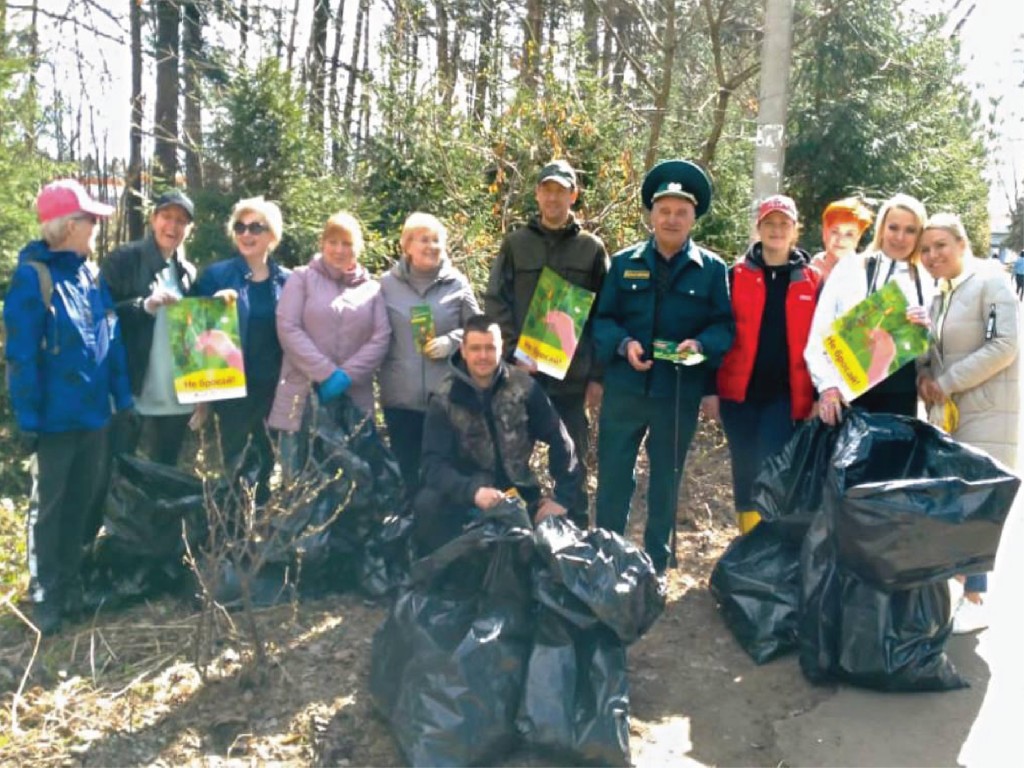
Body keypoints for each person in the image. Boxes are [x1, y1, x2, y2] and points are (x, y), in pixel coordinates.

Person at [4, 179, 133, 635]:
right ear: (67, 225)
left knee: (82, 500)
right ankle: (46, 594)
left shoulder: (90, 275)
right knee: (50, 508)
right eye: (90, 219)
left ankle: (72, 583)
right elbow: (21, 357)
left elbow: (109, 339)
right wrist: (30, 420)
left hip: (95, 416)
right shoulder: (32, 279)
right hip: (55, 421)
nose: (97, 227)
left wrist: (122, 397)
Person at [593, 159, 734, 573]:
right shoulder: (622, 263)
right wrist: (623, 344)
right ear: (651, 215)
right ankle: (609, 555)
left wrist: (701, 345)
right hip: (625, 389)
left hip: (677, 390)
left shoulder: (711, 270)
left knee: (666, 478)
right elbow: (602, 320)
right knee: (615, 476)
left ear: (693, 218)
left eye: (681, 212)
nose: (672, 219)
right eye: (664, 210)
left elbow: (724, 325)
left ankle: (655, 559)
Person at [484, 159, 609, 528]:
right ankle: (512, 535)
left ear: (574, 195)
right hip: (521, 378)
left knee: (572, 465)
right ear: (538, 194)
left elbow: (606, 313)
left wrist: (597, 376)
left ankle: (578, 543)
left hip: (572, 381)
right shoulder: (515, 244)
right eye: (547, 189)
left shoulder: (591, 249)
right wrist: (511, 356)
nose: (554, 197)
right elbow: (496, 301)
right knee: (509, 461)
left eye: (561, 190)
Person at [917, 212, 1020, 634]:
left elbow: (1005, 345)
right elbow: (938, 349)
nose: (932, 255)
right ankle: (961, 591)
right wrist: (925, 371)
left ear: (962, 244)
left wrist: (947, 382)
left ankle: (976, 598)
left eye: (940, 245)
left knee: (976, 504)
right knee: (958, 503)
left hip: (986, 410)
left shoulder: (991, 283)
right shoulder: (942, 294)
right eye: (925, 249)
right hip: (953, 414)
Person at [413, 315, 580, 555]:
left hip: (520, 495)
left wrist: (562, 497)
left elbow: (560, 438)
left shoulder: (524, 387)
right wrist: (472, 491)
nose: (483, 356)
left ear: (501, 349)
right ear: (463, 350)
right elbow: (432, 466)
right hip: (467, 497)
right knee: (427, 504)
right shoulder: (444, 398)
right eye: (476, 348)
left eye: (490, 348)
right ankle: (451, 577)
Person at [703, 195, 820, 534]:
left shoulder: (811, 280)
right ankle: (748, 541)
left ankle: (770, 541)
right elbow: (717, 331)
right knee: (744, 466)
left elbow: (821, 341)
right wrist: (709, 389)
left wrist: (816, 395)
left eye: (784, 224)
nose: (776, 230)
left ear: (795, 231)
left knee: (771, 463)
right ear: (759, 228)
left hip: (787, 395)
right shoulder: (735, 275)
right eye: (770, 223)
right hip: (738, 393)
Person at [268, 211, 389, 470]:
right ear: (322, 244)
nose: (339, 250)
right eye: (333, 242)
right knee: (299, 483)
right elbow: (288, 327)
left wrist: (345, 376)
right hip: (302, 397)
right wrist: (325, 373)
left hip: (354, 401)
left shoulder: (372, 289)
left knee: (355, 486)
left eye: (346, 243)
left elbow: (381, 338)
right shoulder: (301, 278)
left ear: (357, 249)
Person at [193, 196, 291, 502]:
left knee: (268, 463)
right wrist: (201, 400)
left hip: (274, 390)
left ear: (271, 235)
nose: (246, 234)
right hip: (232, 392)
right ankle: (228, 536)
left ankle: (260, 533)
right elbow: (193, 333)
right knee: (232, 467)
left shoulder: (288, 281)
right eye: (240, 227)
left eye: (255, 227)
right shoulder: (215, 276)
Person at [806, 193, 932, 425]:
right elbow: (817, 336)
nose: (900, 237)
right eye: (893, 227)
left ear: (920, 234)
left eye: (910, 230)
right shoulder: (850, 267)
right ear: (882, 228)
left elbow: (930, 358)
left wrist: (927, 331)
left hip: (900, 403)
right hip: (848, 398)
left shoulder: (927, 280)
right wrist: (827, 386)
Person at [378, 212, 479, 496]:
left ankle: (443, 539)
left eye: (436, 240)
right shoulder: (385, 285)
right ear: (406, 245)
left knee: (443, 478)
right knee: (406, 477)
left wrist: (452, 341)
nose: (431, 246)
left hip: (446, 401)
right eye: (424, 240)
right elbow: (371, 331)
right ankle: (407, 536)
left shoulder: (457, 283)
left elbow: (481, 329)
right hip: (400, 400)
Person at [100, 189, 197, 465]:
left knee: (162, 480)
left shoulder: (188, 273)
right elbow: (99, 315)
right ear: (153, 219)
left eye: (181, 221)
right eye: (166, 216)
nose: (172, 226)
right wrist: (144, 306)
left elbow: (196, 336)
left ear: (188, 229)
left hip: (175, 400)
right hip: (131, 392)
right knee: (117, 475)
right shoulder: (124, 259)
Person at [809, 197, 874, 283]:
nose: (841, 239)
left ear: (858, 237)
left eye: (849, 234)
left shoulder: (870, 274)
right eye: (835, 232)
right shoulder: (806, 272)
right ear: (824, 232)